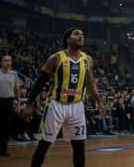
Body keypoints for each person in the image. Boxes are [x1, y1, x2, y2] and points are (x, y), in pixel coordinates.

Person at [24, 27, 105, 167]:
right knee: (44, 145)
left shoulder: (88, 59)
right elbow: (39, 82)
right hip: (56, 105)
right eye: (76, 34)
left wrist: (99, 101)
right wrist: (29, 104)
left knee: (79, 147)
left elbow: (90, 83)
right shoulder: (56, 58)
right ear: (68, 39)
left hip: (77, 106)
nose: (81, 36)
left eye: (82, 34)